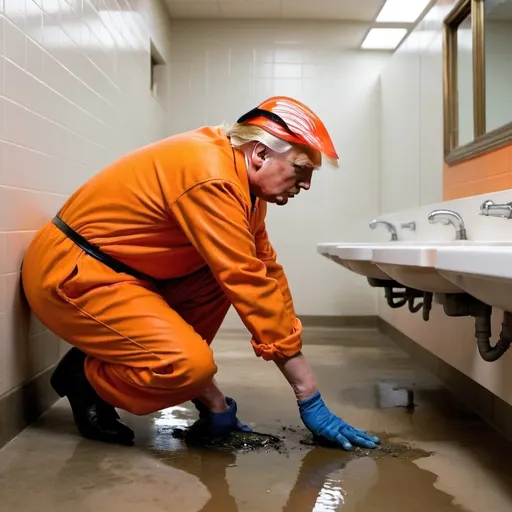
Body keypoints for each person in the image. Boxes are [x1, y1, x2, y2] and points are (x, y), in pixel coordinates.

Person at [21, 96, 380, 451]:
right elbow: (247, 283)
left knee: (219, 283)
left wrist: (213, 398)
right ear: (260, 153)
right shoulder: (211, 176)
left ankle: (116, 360)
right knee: (187, 364)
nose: (305, 184)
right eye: (301, 168)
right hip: (72, 273)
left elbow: (265, 273)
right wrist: (308, 396)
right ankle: (84, 379)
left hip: (124, 274)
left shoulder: (243, 187)